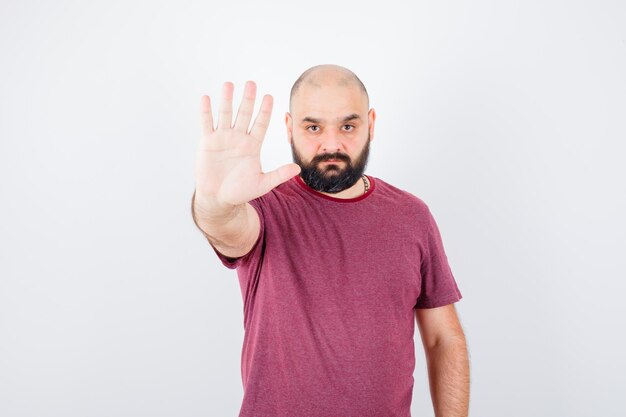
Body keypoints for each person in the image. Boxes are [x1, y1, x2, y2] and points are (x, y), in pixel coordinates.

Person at [191, 64, 470, 417]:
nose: (332, 144)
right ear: (290, 128)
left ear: (371, 123)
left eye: (348, 126)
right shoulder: (261, 208)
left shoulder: (413, 217)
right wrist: (214, 201)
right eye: (313, 127)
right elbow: (226, 227)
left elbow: (443, 338)